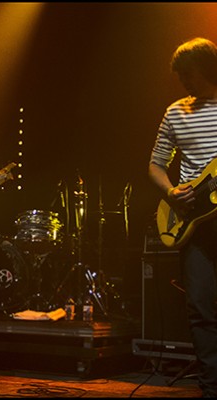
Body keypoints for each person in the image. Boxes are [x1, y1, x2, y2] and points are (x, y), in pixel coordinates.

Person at [148, 37, 217, 398]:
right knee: (201, 305)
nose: (184, 83)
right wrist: (171, 192)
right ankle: (211, 387)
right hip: (193, 222)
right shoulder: (175, 112)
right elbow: (156, 165)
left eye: (188, 75)